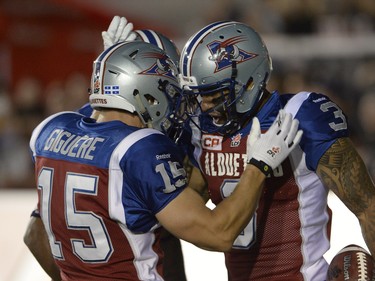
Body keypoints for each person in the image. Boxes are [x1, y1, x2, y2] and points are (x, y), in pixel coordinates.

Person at [24, 41, 301, 281]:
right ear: (144, 94)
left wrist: (111, 67)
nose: (173, 105)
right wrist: (258, 165)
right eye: (167, 93)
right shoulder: (138, 149)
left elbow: (34, 234)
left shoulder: (50, 131)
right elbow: (219, 233)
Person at [177, 21, 375, 280]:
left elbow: (367, 206)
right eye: (197, 96)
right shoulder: (201, 132)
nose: (203, 107)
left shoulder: (300, 115)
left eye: (214, 95)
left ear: (247, 83)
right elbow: (187, 220)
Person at [25, 16, 187, 281]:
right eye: (166, 86)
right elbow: (35, 233)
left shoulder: (91, 127)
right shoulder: (125, 145)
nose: (175, 99)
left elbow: (34, 234)